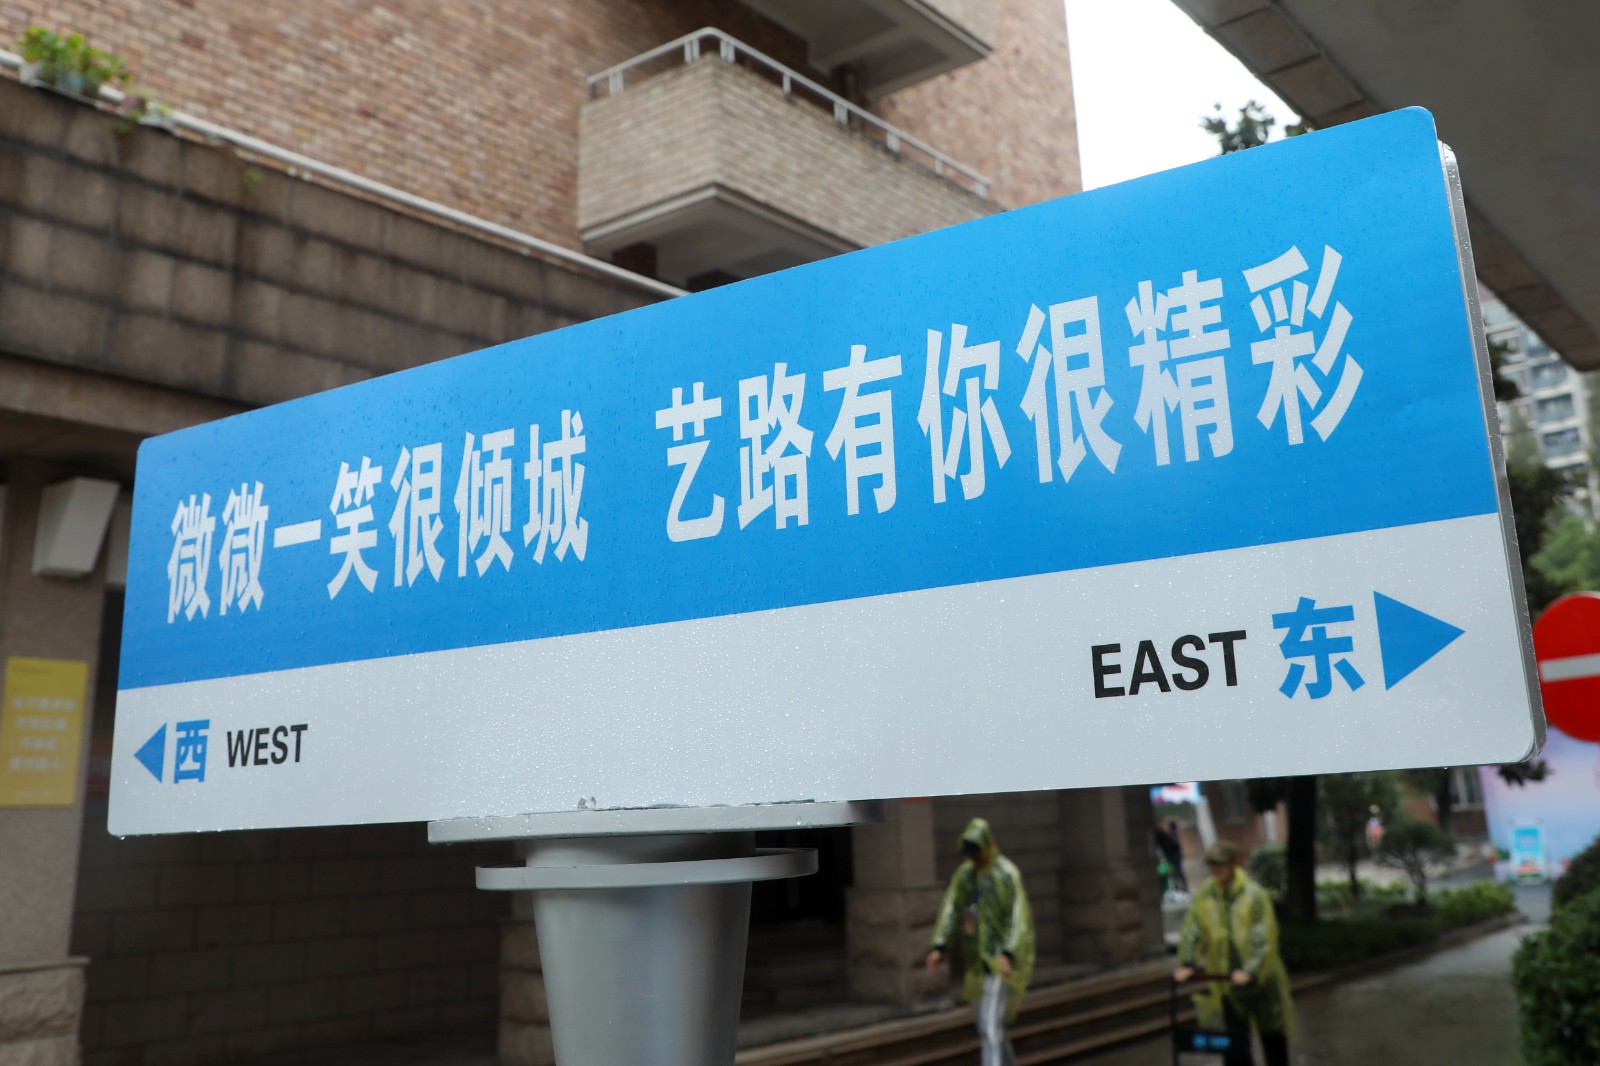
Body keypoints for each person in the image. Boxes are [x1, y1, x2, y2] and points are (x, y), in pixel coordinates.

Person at [1172, 840, 1294, 1066]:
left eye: (1221, 864)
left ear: (1233, 864)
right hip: (1227, 981)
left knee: (1272, 1037)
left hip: (1262, 981)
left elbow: (1263, 937)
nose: (1216, 869)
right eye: (1212, 864)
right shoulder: (1205, 896)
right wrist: (1188, 962)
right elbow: (1193, 929)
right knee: (1234, 1042)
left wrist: (1251, 970)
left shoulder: (1253, 895)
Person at [925, 818, 1035, 1066]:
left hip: (998, 961)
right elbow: (952, 908)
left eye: (976, 850)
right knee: (989, 1025)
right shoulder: (966, 876)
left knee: (989, 1025)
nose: (974, 857)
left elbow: (1018, 917)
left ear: (988, 845)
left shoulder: (1006, 874)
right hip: (975, 962)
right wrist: (940, 945)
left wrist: (1008, 952)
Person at [1155, 819, 1189, 892]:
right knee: (1176, 870)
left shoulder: (1164, 833)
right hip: (1174, 854)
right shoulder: (1167, 834)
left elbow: (1171, 846)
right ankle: (1180, 886)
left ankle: (1182, 887)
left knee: (1177, 870)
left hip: (1174, 854)